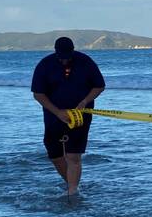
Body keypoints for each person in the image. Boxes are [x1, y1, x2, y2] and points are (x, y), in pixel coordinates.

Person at [31, 37, 106, 196]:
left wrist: (85, 101)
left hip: (80, 114)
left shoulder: (85, 61)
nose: (65, 61)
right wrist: (58, 112)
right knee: (55, 155)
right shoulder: (45, 65)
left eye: (68, 57)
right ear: (56, 52)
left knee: (73, 155)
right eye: (61, 57)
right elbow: (38, 94)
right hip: (53, 114)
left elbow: (99, 86)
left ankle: (72, 191)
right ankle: (71, 183)